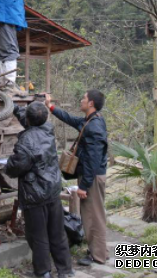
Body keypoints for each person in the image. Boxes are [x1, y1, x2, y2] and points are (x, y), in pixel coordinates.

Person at [5, 102, 74, 278]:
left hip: (35, 195)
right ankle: (65, 271)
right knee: (57, 233)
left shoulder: (26, 141)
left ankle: (43, 272)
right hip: (52, 190)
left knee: (38, 236)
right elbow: (31, 119)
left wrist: (8, 165)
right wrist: (14, 107)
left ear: (28, 120)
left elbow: (15, 167)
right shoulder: (48, 129)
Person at [44, 90, 108, 267]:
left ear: (91, 104)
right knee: (95, 215)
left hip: (92, 177)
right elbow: (70, 119)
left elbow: (93, 160)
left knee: (92, 217)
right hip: (91, 176)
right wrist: (51, 107)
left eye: (84, 99)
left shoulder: (94, 127)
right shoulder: (91, 121)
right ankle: (100, 250)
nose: (81, 100)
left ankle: (98, 256)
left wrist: (84, 186)